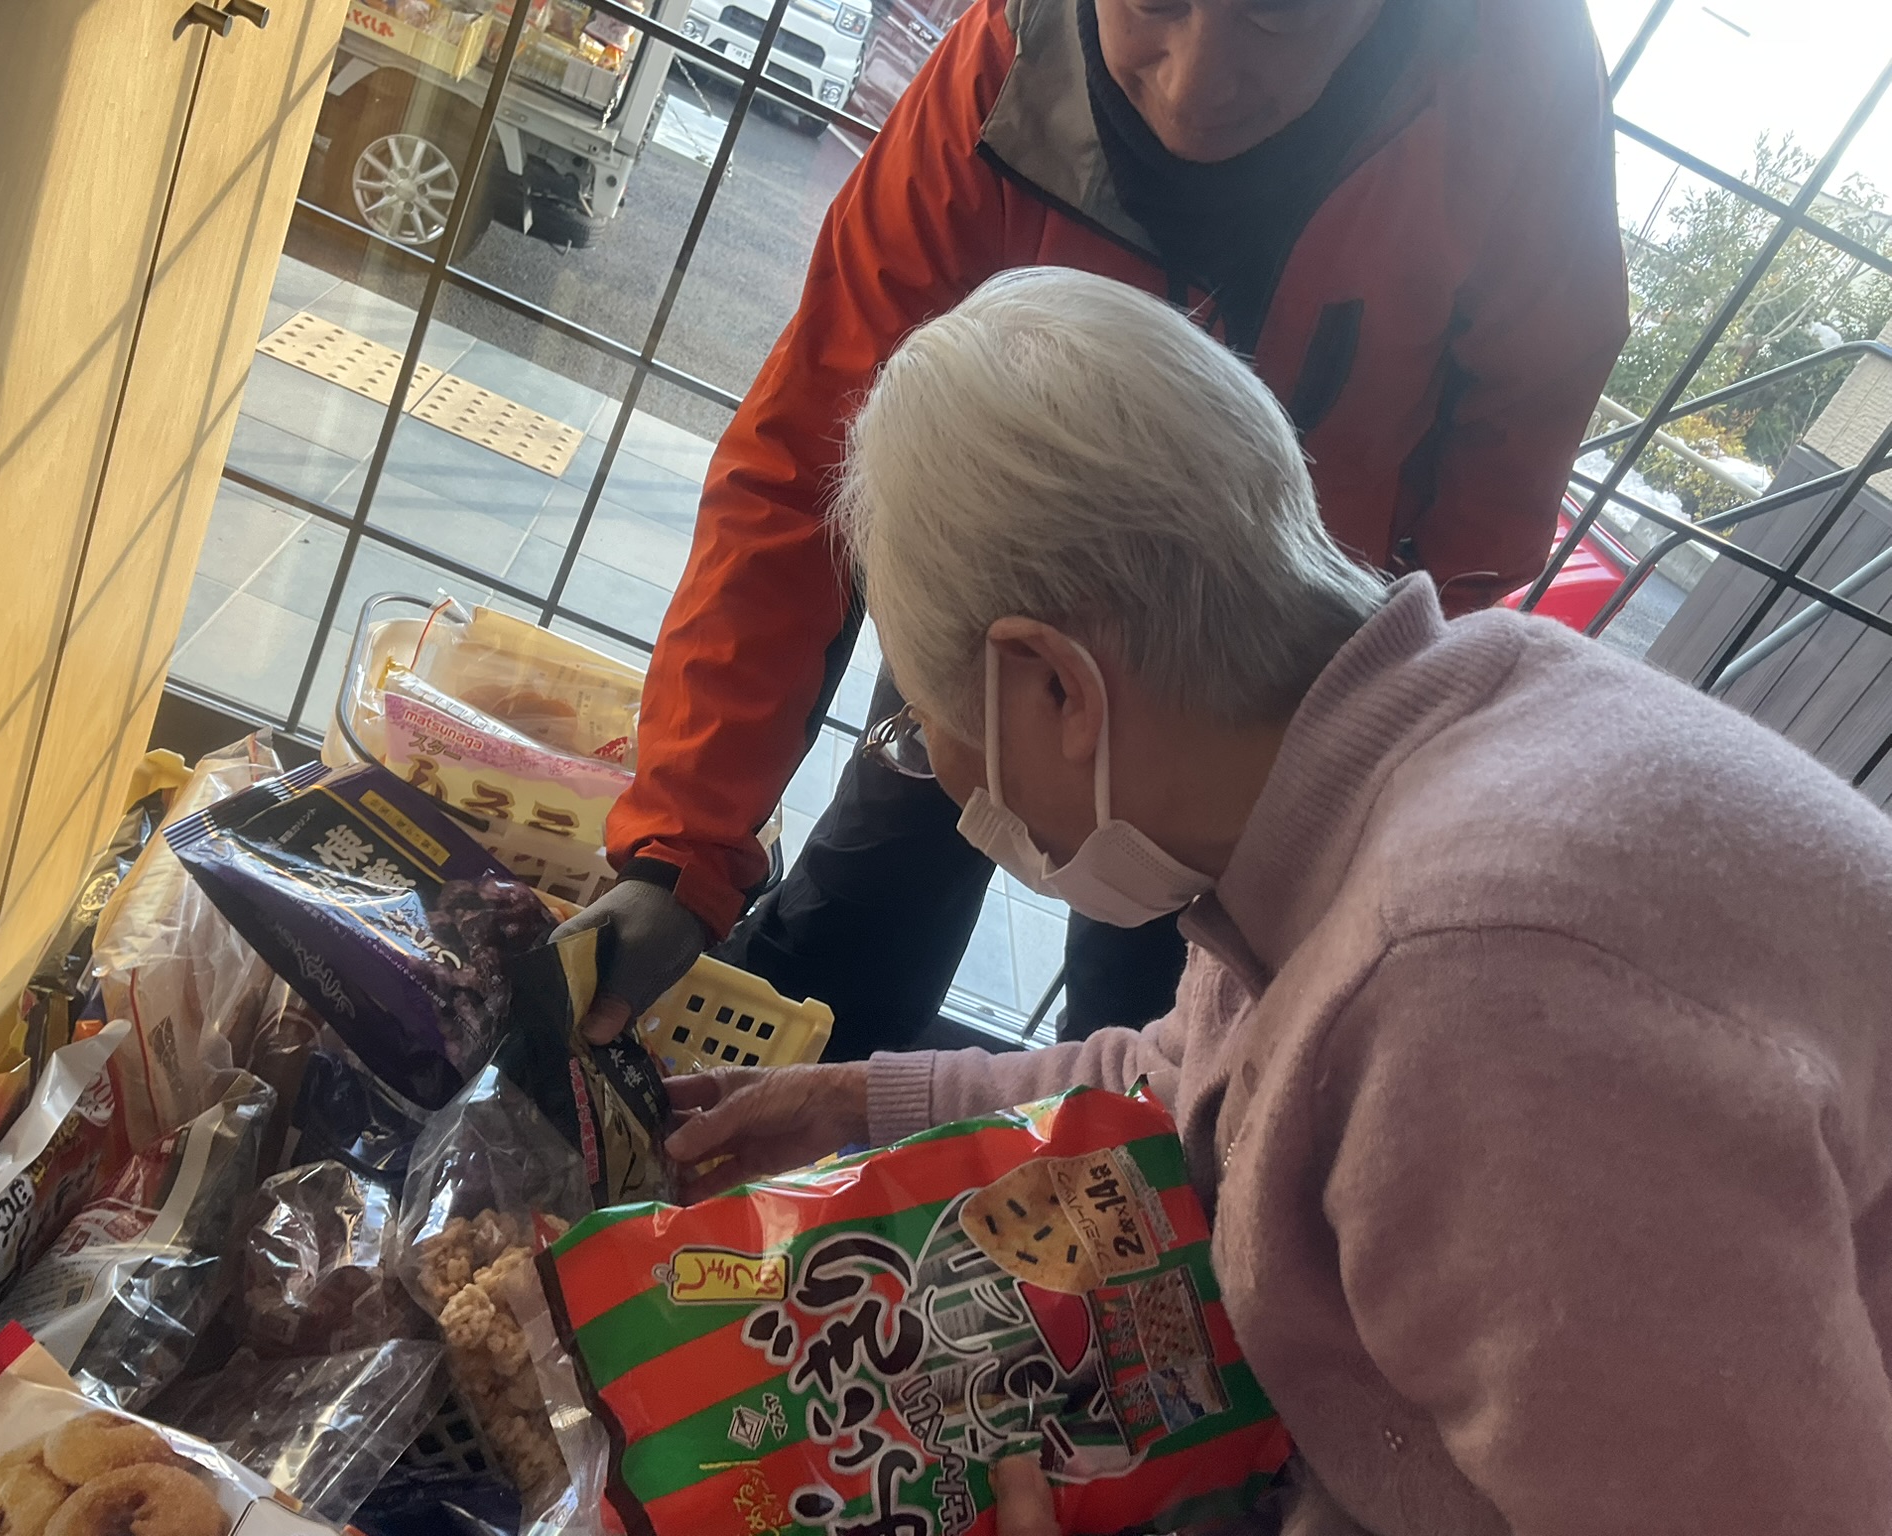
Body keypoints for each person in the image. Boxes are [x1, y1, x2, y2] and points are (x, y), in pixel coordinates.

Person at [634, 270, 1892, 1531]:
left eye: (918, 727)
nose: (932, 766)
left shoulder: (1477, 993)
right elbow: (1198, 1088)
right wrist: (862, 1107)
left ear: (1054, 687)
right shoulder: (1377, 751)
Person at [554, 0, 1630, 1054]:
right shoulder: (1004, 64)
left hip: (1262, 692)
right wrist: (679, 854)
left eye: (1278, 16)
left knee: (1167, 1029)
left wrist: (1344, 738)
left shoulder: (1516, 76)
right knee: (863, 905)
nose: (1196, 88)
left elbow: (1502, 469)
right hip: (991, 609)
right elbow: (806, 461)